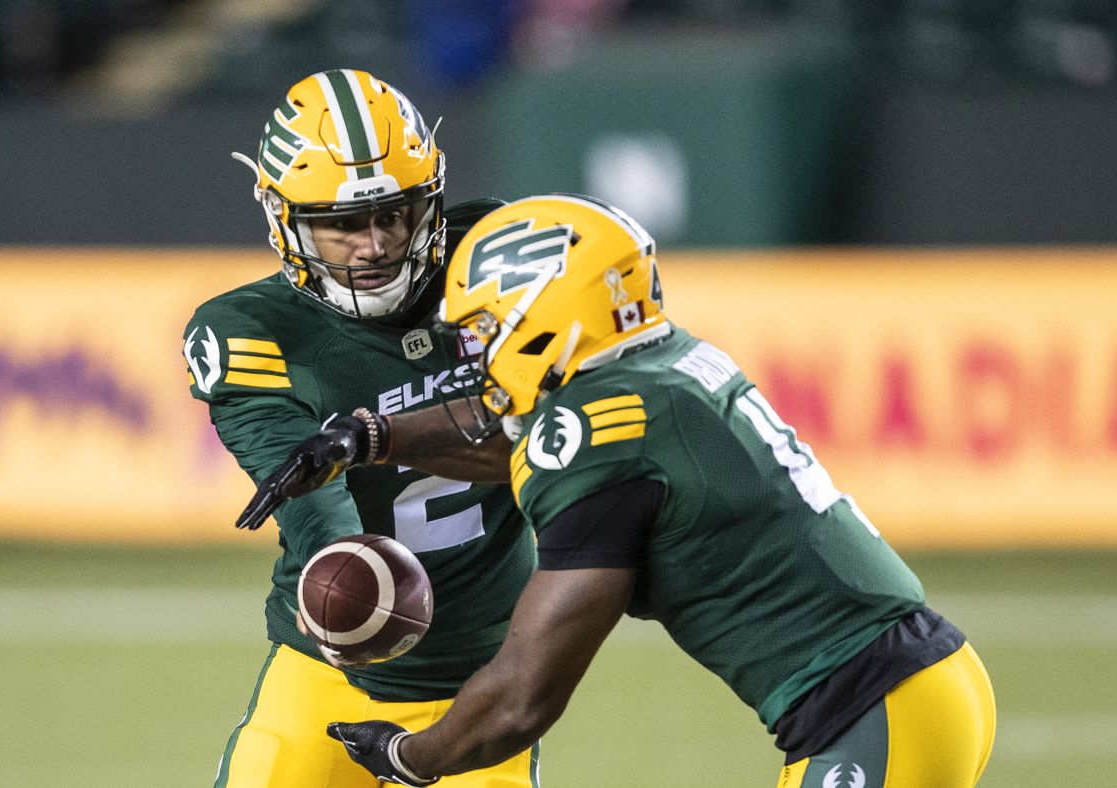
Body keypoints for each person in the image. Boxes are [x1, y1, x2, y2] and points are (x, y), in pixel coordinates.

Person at [240, 194, 998, 787]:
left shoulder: (596, 430)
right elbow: (517, 436)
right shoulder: (661, 368)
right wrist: (377, 436)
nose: (480, 350)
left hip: (870, 709)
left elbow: (523, 694)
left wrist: (413, 754)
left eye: (487, 328)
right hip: (916, 687)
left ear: (542, 313)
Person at [182, 69, 541, 788]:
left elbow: (558, 432)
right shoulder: (250, 330)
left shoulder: (498, 262)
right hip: (328, 671)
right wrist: (357, 583)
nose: (374, 245)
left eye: (395, 215)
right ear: (286, 220)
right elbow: (313, 500)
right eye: (342, 223)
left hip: (485, 685)